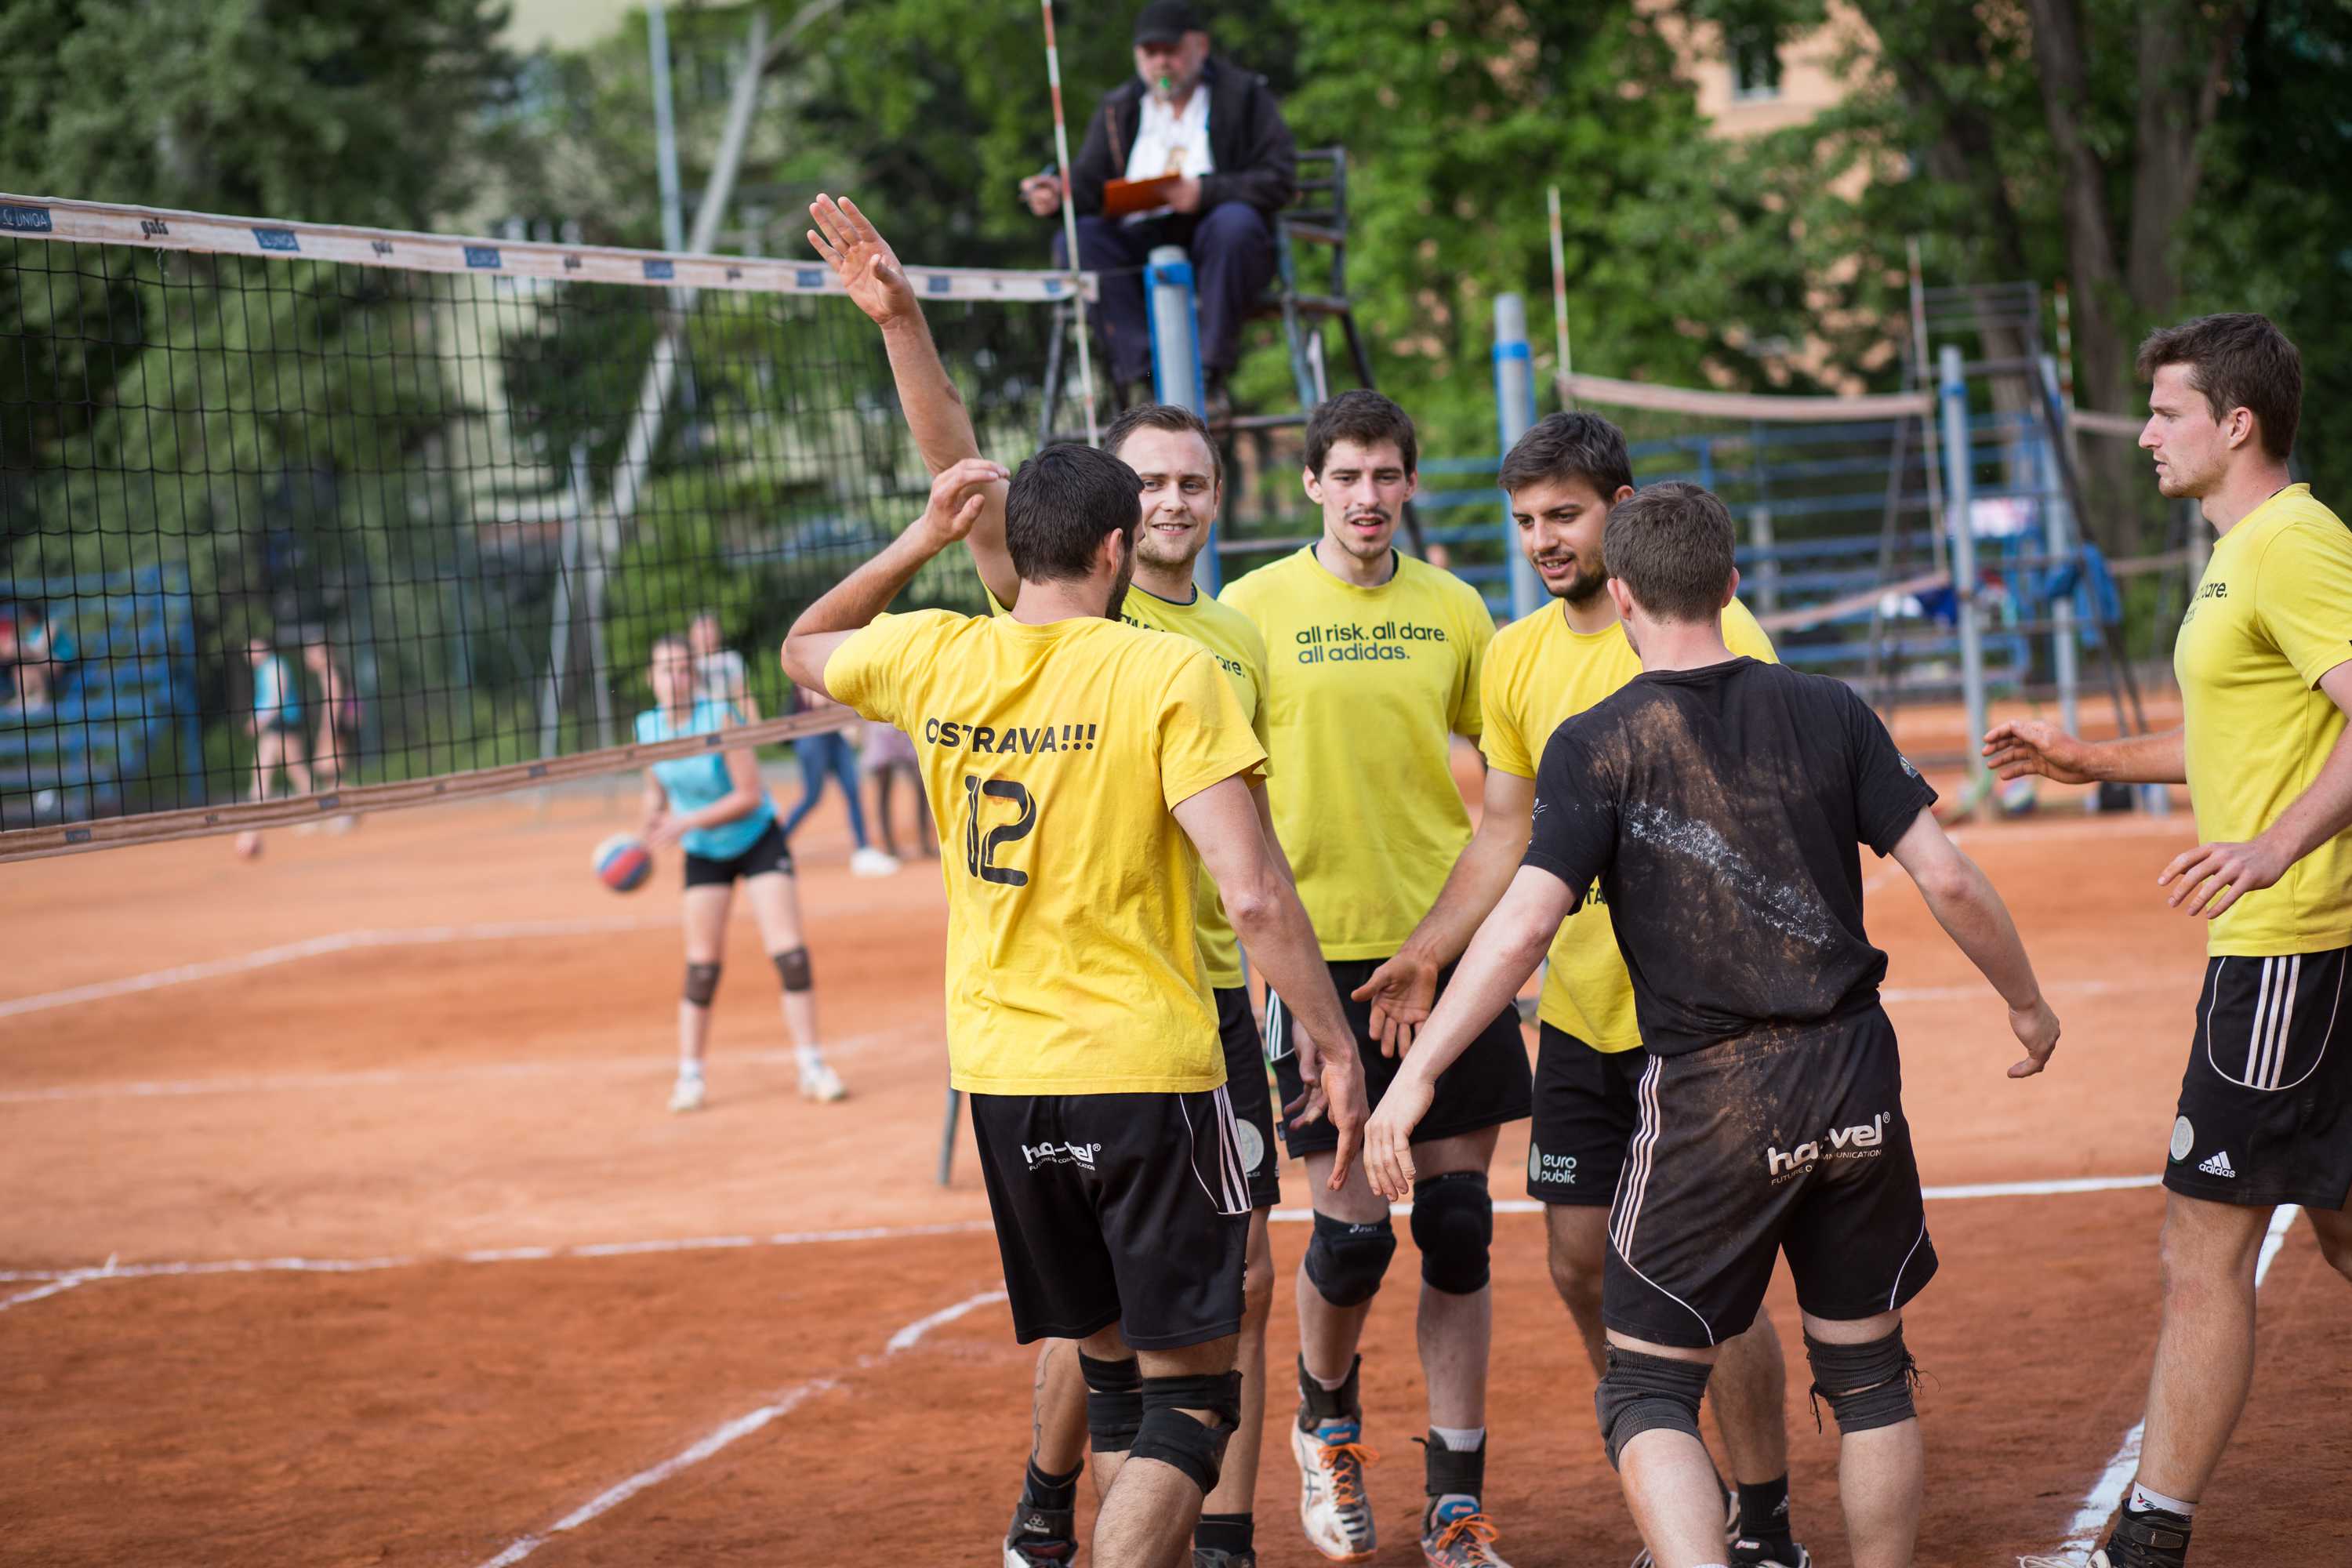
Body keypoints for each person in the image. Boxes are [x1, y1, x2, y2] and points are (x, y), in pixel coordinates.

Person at [1359, 480, 2060, 1568]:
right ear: (1731, 586)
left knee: (1646, 1387)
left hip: (1713, 1093)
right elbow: (1952, 879)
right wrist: (2025, 1003)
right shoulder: (1832, 708)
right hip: (1853, 1073)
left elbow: (1524, 928)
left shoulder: (1598, 741)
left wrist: (1415, 1077)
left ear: (1625, 597)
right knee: (1870, 1378)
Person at [806, 191, 1294, 1568]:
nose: (1176, 499)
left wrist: (1294, 998)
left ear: (1213, 501)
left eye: (1195, 481)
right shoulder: (1065, 622)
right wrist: (904, 329)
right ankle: (1048, 1494)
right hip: (1127, 1023)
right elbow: (962, 471)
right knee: (1131, 1329)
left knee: (1240, 1287)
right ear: (1113, 523)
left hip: (1203, 999)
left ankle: (1219, 1539)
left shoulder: (1239, 636)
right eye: (1154, 484)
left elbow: (1264, 853)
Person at [1352, 414, 1809, 1568]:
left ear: (1621, 507)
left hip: (1698, 1025)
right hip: (1580, 1017)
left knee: (1717, 1280)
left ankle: (1764, 1524)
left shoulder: (1714, 633)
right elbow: (1504, 833)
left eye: (1564, 514)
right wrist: (1431, 947)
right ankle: (1682, 1487)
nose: (1543, 541)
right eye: (1525, 522)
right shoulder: (1515, 657)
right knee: (1576, 1260)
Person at [1982, 314, 2352, 1568]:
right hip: (2297, 945)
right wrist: (2094, 760)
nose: (2144, 433)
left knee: (2205, 1238)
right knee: (2341, 1223)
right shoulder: (2245, 554)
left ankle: (2148, 1538)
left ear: (2236, 424)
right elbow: (2246, 736)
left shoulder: (2289, 545)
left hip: (2291, 946)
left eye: (2165, 411)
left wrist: (2276, 845)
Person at [1221, 389, 1530, 1568]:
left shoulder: (1455, 607)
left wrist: (1468, 937)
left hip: (1440, 950)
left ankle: (1455, 1499)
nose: (1368, 496)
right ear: (1311, 485)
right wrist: (1285, 971)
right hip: (1316, 958)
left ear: (1410, 483)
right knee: (1351, 1239)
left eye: (1387, 475)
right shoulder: (1250, 612)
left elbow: (1506, 781)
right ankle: (1327, 1421)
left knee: (1458, 1226)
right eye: (1346, 476)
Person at [1021, 1, 1293, 408]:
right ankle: (1147, 380)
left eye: (1171, 50)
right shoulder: (1119, 108)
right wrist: (1056, 193)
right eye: (1151, 53)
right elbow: (1089, 184)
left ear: (1200, 46)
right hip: (1139, 242)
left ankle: (1208, 375)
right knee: (1079, 239)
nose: (1162, 62)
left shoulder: (1243, 96)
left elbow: (1279, 179)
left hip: (1218, 244)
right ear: (1137, 56)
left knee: (1234, 224)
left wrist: (1204, 192)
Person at [635, 633, 848, 1111]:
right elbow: (655, 792)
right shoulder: (646, 728)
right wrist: (646, 827)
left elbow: (749, 795)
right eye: (666, 670)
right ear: (652, 678)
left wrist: (685, 822)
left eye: (683, 669)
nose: (676, 679)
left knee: (790, 955)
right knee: (702, 966)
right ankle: (690, 1076)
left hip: (756, 839)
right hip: (704, 852)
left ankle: (812, 1066)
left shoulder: (720, 718)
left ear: (694, 675)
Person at [779, 685, 898, 878]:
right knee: (811, 798)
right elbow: (819, 701)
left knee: (853, 791)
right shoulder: (802, 670)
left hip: (834, 734)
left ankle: (863, 849)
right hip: (812, 735)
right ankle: (778, 842)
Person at [245, 637, 312, 800]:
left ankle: (317, 805)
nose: (249, 655)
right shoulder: (263, 669)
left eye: (252, 650)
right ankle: (257, 808)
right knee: (264, 767)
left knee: (293, 767)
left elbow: (278, 697)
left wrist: (261, 721)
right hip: (274, 724)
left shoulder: (275, 666)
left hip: (283, 722)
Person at [862, 720, 935, 862]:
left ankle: (926, 842)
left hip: (904, 727)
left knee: (922, 783)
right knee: (884, 787)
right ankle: (890, 846)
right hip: (881, 729)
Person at [303, 638, 360, 795]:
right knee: (328, 774)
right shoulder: (328, 673)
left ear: (324, 654)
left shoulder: (330, 674)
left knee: (328, 770)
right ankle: (339, 804)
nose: (307, 658)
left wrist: (328, 731)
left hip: (335, 727)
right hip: (336, 727)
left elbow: (333, 704)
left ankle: (348, 802)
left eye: (310, 654)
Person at [690, 612, 761, 722]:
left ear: (718, 631)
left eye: (710, 627)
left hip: (728, 719)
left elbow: (743, 695)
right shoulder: (686, 663)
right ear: (692, 634)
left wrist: (755, 722)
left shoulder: (731, 659)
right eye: (701, 628)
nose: (706, 632)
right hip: (697, 722)